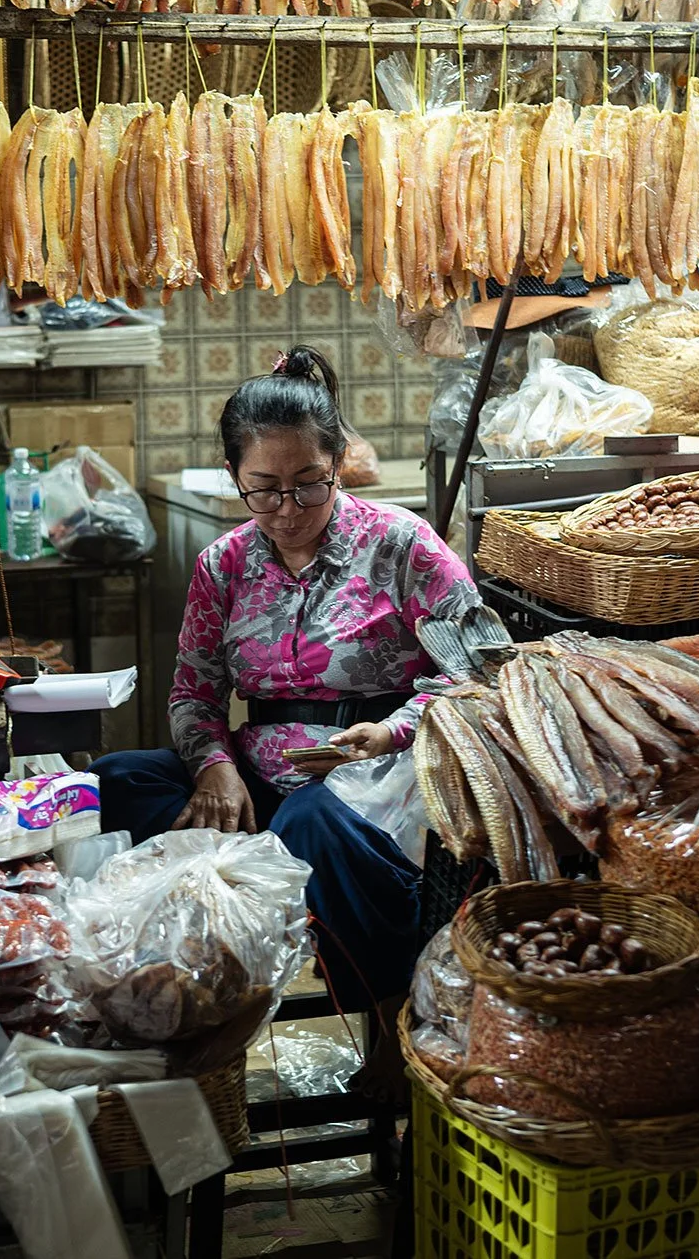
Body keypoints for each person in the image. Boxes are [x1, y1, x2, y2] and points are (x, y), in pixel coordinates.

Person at [93, 345, 480, 1028]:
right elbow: (194, 693)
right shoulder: (225, 563)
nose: (288, 506)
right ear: (233, 476)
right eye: (264, 487)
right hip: (259, 781)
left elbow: (478, 668)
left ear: (336, 464)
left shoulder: (402, 544)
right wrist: (215, 769)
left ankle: (389, 1014)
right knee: (114, 784)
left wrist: (391, 730)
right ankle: (162, 986)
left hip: (377, 782)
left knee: (313, 821)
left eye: (310, 483)